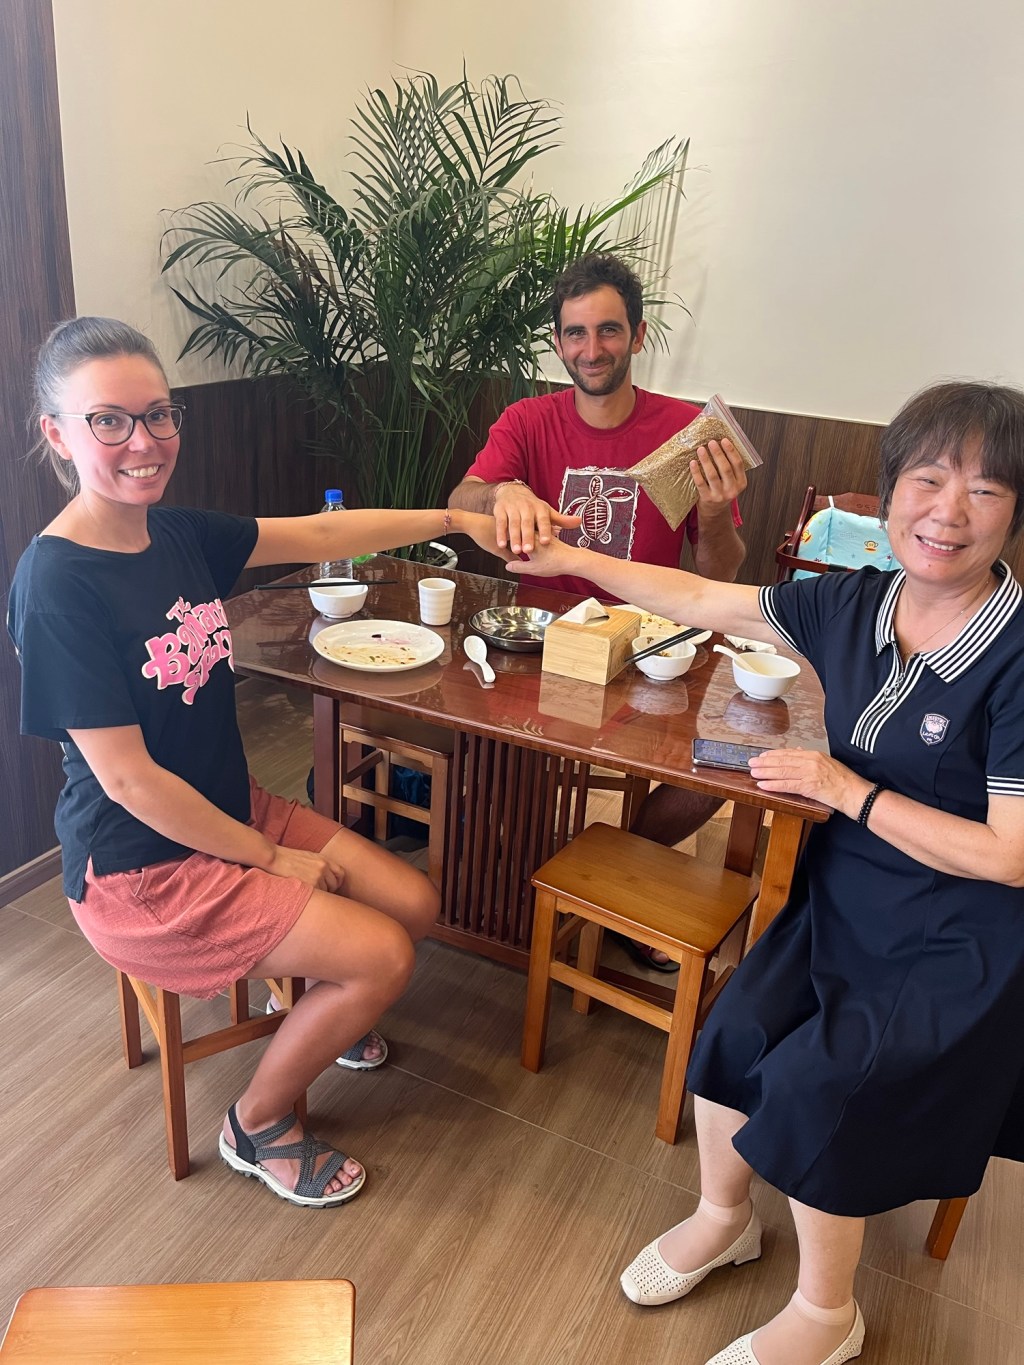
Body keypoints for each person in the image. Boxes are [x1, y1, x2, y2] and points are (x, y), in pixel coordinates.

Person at [503, 380, 1024, 1365]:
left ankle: (828, 1316)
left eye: (986, 491)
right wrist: (568, 556)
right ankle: (725, 1216)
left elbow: (1010, 856)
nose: (947, 511)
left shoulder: (1017, 652)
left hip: (967, 933)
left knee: (821, 1083)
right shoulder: (853, 599)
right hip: (851, 894)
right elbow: (702, 597)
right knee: (733, 1030)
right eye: (926, 479)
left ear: (1015, 512)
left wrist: (842, 788)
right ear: (887, 491)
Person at [7, 317, 496, 1209]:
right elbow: (126, 779)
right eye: (108, 421)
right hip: (140, 868)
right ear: (57, 434)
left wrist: (458, 518)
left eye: (158, 415)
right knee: (384, 957)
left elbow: (318, 535)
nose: (144, 442)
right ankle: (259, 1123)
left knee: (414, 902)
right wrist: (268, 857)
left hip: (227, 810)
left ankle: (311, 1004)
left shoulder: (176, 532)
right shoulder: (56, 583)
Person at [449, 251, 750, 970]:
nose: (592, 349)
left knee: (734, 756)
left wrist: (712, 516)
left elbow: (721, 575)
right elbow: (461, 501)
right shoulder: (527, 420)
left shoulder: (686, 433)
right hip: (539, 643)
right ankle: (528, 887)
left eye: (609, 330)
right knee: (493, 744)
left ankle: (616, 878)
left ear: (639, 336)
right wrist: (501, 495)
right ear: (558, 342)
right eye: (576, 333)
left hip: (652, 646)